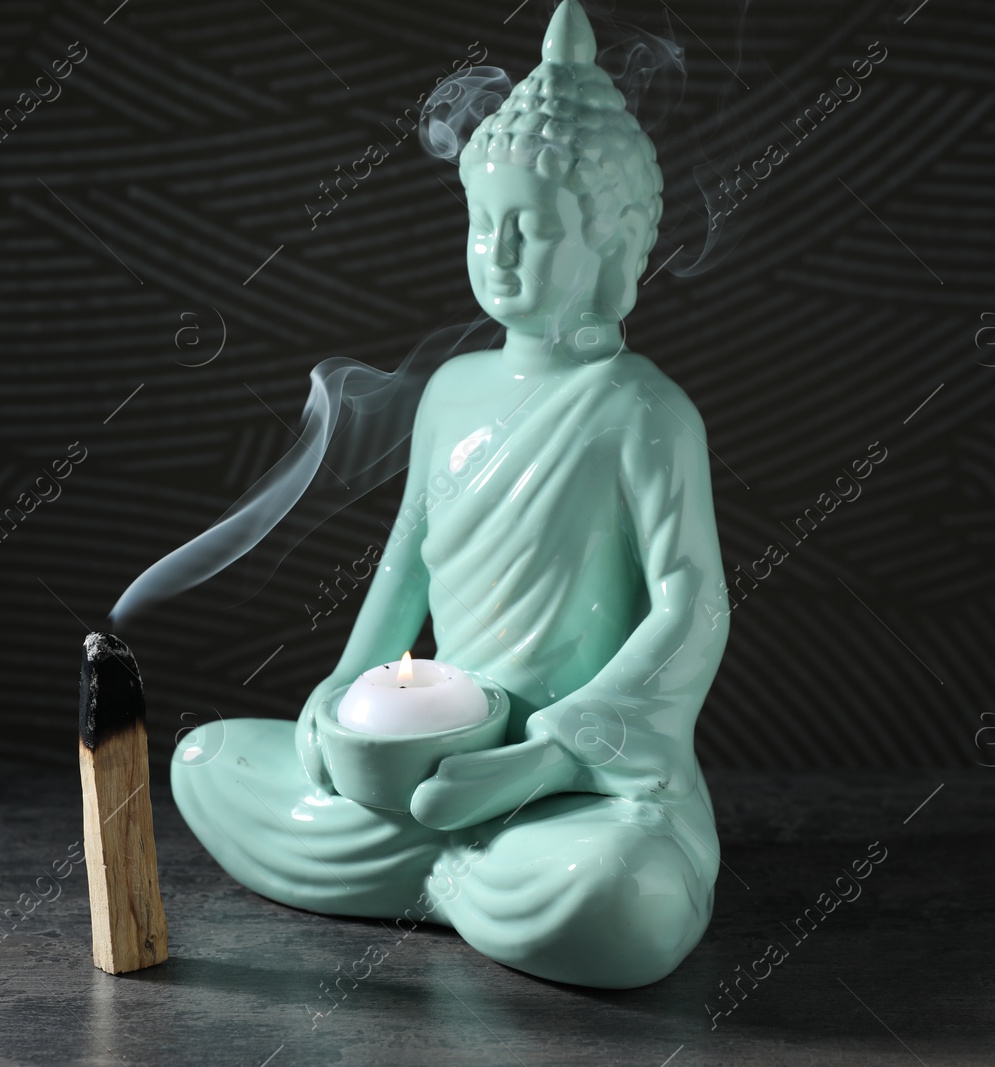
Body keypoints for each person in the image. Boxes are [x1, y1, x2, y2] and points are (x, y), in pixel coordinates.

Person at [172, 0, 730, 988]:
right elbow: (406, 563)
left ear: (612, 240)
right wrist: (338, 693)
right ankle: (453, 872)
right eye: (483, 223)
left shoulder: (642, 410)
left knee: (617, 890)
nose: (500, 251)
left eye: (533, 227)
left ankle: (472, 868)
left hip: (572, 784)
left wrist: (550, 753)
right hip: (430, 764)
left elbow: (692, 608)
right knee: (207, 760)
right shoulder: (454, 391)